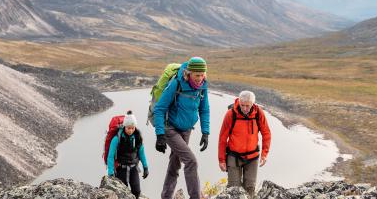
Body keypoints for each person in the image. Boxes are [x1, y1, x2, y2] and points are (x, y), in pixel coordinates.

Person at [153, 57, 210, 199]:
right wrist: (160, 135)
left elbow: (204, 109)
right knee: (191, 161)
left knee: (175, 165)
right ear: (189, 73)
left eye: (202, 75)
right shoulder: (176, 84)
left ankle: (166, 196)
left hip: (186, 129)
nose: (200, 78)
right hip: (170, 128)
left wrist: (205, 132)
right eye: (197, 75)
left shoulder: (203, 86)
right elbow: (159, 109)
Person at [218, 90, 271, 198]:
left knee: (250, 188)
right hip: (234, 156)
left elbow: (266, 133)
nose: (245, 108)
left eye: (248, 105)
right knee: (234, 188)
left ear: (253, 104)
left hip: (253, 157)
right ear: (239, 102)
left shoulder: (258, 113)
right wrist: (221, 160)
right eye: (243, 105)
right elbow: (222, 138)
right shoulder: (230, 114)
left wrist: (264, 154)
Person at [107, 110, 148, 199]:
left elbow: (141, 153)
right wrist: (110, 173)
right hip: (121, 169)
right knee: (122, 193)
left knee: (136, 191)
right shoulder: (117, 139)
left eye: (132, 128)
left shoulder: (137, 137)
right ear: (124, 126)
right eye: (128, 128)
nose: (130, 130)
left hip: (134, 168)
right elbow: (110, 156)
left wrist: (145, 167)